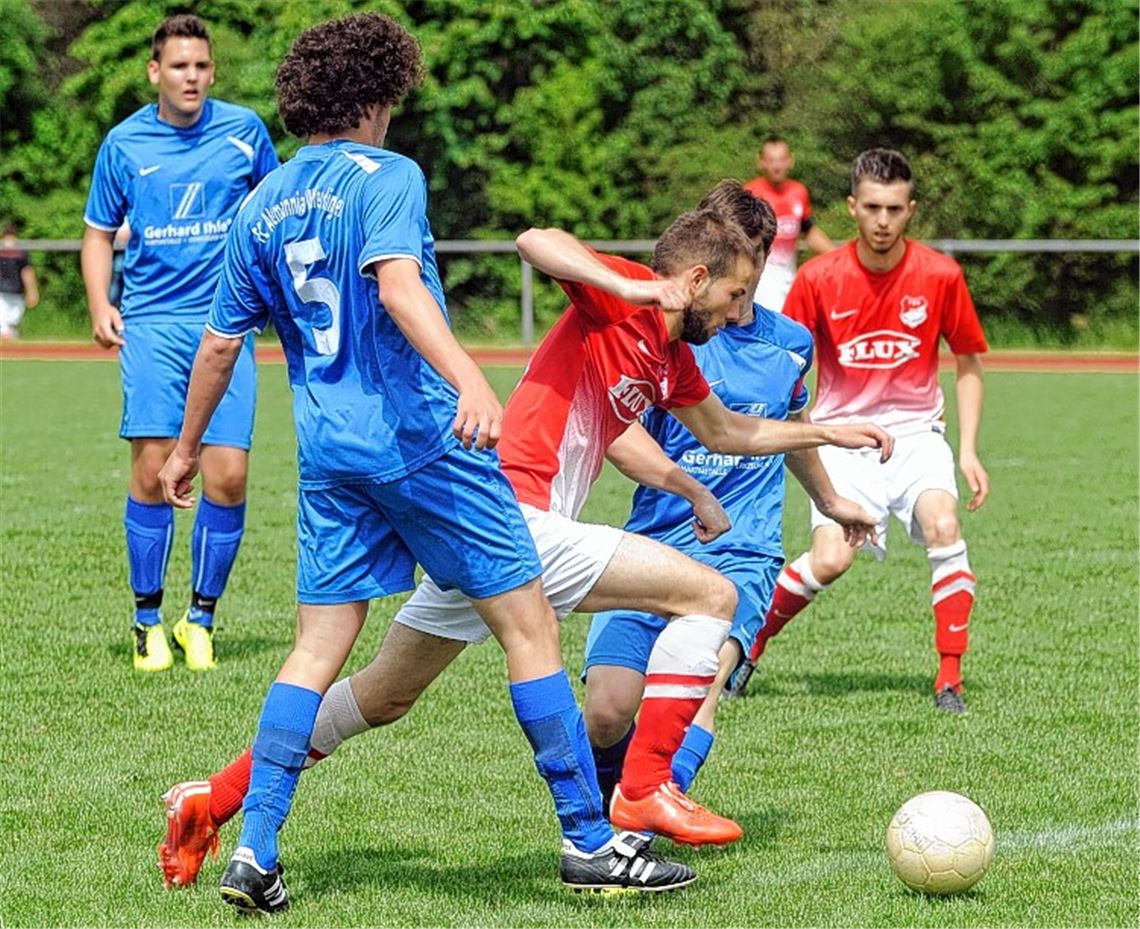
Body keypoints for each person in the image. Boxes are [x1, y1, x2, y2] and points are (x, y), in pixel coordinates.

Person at [156, 183, 892, 895]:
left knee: (382, 696)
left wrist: (828, 430)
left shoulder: (673, 358)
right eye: (734, 295)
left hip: (483, 526)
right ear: (694, 279)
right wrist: (634, 288)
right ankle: (639, 793)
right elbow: (535, 241)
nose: (739, 313)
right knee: (712, 593)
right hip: (517, 516)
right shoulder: (624, 294)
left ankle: (211, 800)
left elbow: (732, 432)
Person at [157, 13, 697, 911]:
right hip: (421, 442)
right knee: (530, 628)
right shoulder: (388, 176)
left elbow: (220, 346)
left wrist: (184, 451)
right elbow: (399, 284)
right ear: (374, 96)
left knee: (316, 648)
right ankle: (588, 837)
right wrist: (470, 383)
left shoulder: (262, 201)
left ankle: (253, 850)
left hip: (330, 455)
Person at [581, 180, 863, 807]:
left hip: (743, 549)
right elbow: (625, 430)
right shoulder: (667, 332)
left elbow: (783, 433)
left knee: (697, 690)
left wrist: (830, 500)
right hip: (655, 539)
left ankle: (639, 821)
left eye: (751, 263)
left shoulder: (789, 344)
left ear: (761, 259)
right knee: (606, 710)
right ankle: (609, 819)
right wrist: (685, 486)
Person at [739, 148, 989, 715]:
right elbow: (785, 365)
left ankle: (949, 677)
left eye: (895, 209)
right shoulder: (818, 278)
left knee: (943, 523)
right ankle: (750, 645)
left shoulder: (941, 275)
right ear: (851, 207)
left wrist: (968, 450)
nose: (883, 220)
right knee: (829, 559)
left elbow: (969, 363)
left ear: (911, 210)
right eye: (872, 207)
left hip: (918, 436)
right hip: (843, 437)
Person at [80, 14, 279, 673]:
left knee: (228, 475)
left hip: (226, 325)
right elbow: (97, 233)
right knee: (151, 468)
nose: (190, 76)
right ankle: (146, 622)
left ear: (212, 71)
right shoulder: (124, 143)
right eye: (179, 65)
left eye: (201, 65)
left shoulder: (245, 134)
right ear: (155, 72)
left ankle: (200, 619)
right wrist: (99, 301)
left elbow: (273, 216)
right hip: (155, 324)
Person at [743, 135, 832, 312]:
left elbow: (809, 231)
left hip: (790, 278)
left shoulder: (799, 192)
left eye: (781, 160)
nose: (777, 166)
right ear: (761, 162)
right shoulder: (750, 193)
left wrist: (838, 257)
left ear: (790, 161)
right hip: (761, 280)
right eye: (771, 160)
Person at [0, 222, 39, 339]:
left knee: (12, 324)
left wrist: (32, 291)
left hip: (17, 292)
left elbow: (27, 272)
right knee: (3, 324)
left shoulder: (21, 253)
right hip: (1, 292)